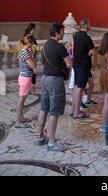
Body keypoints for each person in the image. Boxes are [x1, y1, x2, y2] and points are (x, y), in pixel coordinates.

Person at [37, 23, 72, 151]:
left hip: (45, 78)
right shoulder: (59, 47)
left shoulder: (45, 45)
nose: (63, 33)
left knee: (44, 109)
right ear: (57, 33)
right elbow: (69, 63)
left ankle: (40, 137)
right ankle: (51, 143)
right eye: (62, 31)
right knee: (54, 111)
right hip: (55, 80)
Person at [72, 19, 95, 118]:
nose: (90, 25)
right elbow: (92, 52)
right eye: (89, 23)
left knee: (77, 87)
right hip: (83, 66)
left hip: (76, 64)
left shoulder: (76, 35)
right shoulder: (86, 37)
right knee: (80, 89)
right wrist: (89, 53)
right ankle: (76, 112)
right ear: (85, 25)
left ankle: (74, 110)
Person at [15, 34, 37, 128]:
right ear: (29, 43)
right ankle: (18, 122)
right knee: (21, 100)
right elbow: (34, 65)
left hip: (23, 77)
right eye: (32, 44)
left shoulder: (22, 51)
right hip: (25, 78)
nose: (33, 45)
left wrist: (31, 52)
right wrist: (32, 54)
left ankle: (21, 118)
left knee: (22, 100)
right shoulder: (26, 53)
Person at [98, 32, 108, 133]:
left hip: (102, 75)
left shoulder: (101, 51)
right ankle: (104, 124)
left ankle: (107, 122)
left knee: (107, 101)